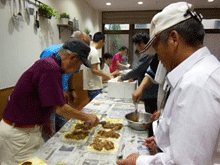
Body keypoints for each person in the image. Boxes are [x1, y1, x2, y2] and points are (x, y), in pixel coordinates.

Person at [117, 2, 220, 165]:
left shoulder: (197, 85)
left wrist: (139, 161)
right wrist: (164, 141)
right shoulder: (199, 71)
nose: (159, 58)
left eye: (158, 51)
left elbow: (186, 162)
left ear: (173, 39)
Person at [0, 38, 99, 164]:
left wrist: (45, 120)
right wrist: (87, 117)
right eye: (79, 65)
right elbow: (61, 108)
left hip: (28, 132)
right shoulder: (50, 68)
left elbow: (40, 98)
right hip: (18, 137)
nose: (77, 70)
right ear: (73, 57)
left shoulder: (51, 65)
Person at [40, 31, 91, 134]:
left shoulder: (67, 61)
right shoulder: (50, 60)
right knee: (50, 129)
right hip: (47, 98)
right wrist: (86, 117)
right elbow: (46, 84)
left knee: (63, 126)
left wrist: (70, 89)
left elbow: (71, 73)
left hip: (60, 92)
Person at [118, 32, 158, 114]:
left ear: (141, 43)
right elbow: (144, 70)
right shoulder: (151, 52)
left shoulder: (148, 53)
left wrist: (123, 77)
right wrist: (134, 77)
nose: (137, 48)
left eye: (137, 45)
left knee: (150, 115)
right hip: (152, 92)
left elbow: (137, 70)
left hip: (150, 92)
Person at [83, 32, 112, 100]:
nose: (102, 45)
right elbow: (94, 70)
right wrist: (107, 75)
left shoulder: (89, 50)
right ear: (101, 41)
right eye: (103, 43)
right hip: (94, 86)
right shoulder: (94, 52)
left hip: (90, 84)